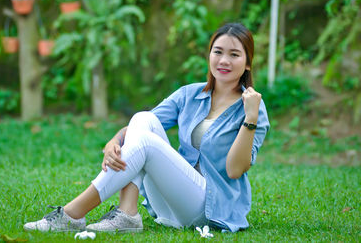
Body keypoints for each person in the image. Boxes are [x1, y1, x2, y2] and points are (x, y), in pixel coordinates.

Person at [23, 22, 270, 233]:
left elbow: (235, 170)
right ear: (209, 55)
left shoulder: (252, 108)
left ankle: (72, 214)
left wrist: (250, 118)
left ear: (248, 63)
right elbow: (141, 126)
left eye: (234, 55)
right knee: (143, 119)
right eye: (218, 52)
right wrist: (114, 141)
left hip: (209, 210)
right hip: (171, 202)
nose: (224, 60)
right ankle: (127, 215)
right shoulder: (190, 95)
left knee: (146, 141)